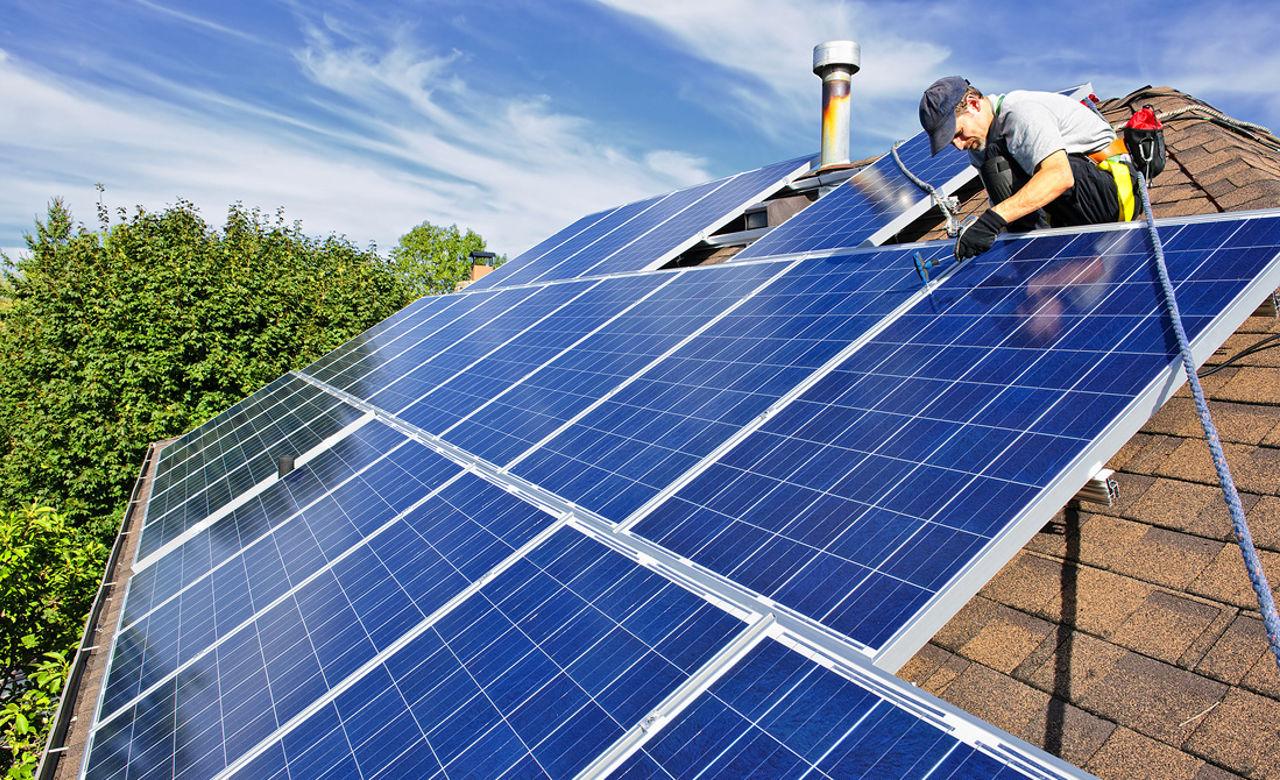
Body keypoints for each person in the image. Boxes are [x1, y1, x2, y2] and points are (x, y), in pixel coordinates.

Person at [918, 76, 1140, 259]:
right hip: (1072, 206)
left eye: (957, 133)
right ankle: (1039, 262)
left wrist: (991, 221)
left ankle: (1044, 258)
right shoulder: (980, 148)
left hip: (1112, 194)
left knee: (1000, 163)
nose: (958, 145)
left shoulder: (1020, 112)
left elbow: (1060, 176)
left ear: (974, 104)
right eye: (951, 141)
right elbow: (1003, 206)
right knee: (993, 163)